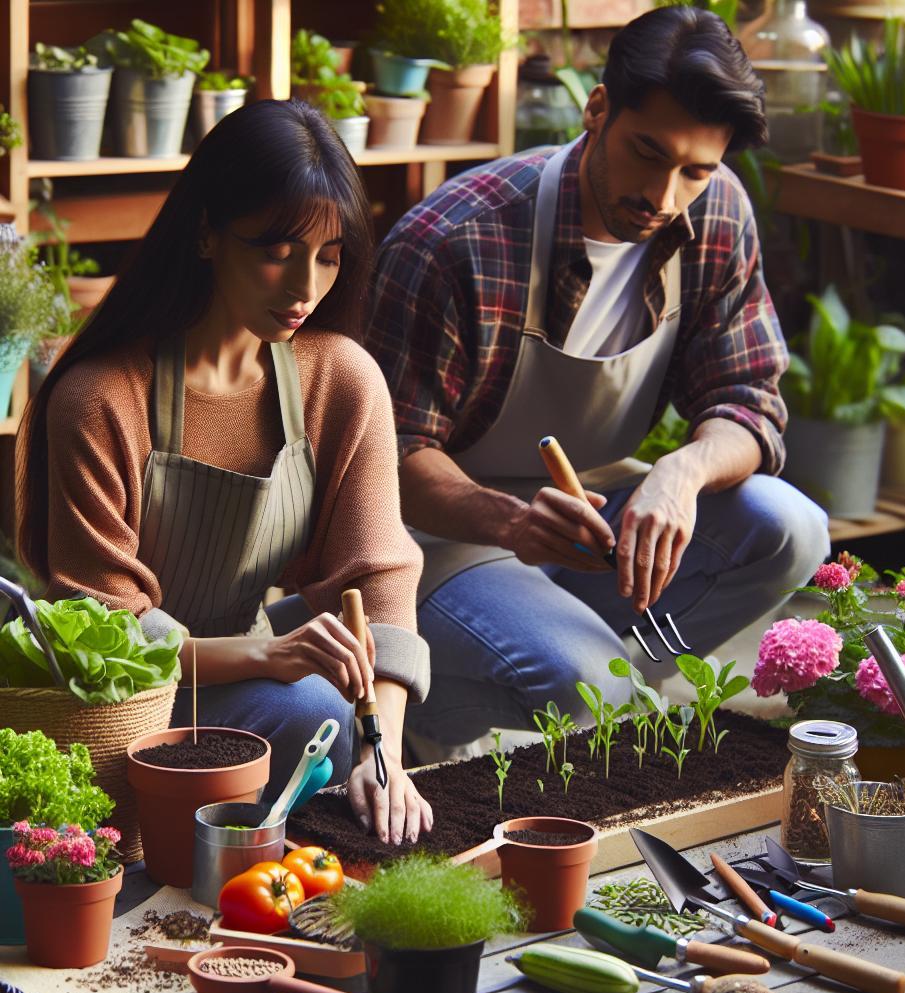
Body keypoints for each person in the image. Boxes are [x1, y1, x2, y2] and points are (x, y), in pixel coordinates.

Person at [363, 7, 830, 750]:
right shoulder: (455, 242)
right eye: (648, 152)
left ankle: (595, 692)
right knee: (587, 682)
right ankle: (458, 696)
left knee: (790, 528)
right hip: (438, 538)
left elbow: (749, 402)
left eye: (696, 171)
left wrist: (681, 474)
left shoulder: (717, 212)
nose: (665, 196)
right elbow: (384, 462)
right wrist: (513, 524)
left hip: (592, 514)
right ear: (597, 108)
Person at [17, 100, 432, 845]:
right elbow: (107, 635)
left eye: (331, 254)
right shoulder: (101, 398)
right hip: (122, 703)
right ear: (206, 233)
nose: (306, 285)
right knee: (315, 713)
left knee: (340, 723)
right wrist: (268, 655)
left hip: (249, 671)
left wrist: (383, 752)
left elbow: (382, 579)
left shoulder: (341, 378)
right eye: (278, 249)